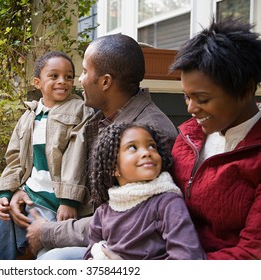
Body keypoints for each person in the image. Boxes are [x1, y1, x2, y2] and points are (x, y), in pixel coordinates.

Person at [24, 34, 179, 260]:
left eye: (85, 72)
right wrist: (18, 190)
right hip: (94, 228)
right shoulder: (99, 122)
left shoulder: (148, 135)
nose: (79, 81)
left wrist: (48, 232)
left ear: (105, 82)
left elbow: (124, 217)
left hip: (129, 248)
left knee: (51, 259)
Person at [0, 51, 94, 259]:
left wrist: (70, 200)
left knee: (49, 255)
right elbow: (14, 160)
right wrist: (6, 193)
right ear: (37, 82)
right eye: (54, 76)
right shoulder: (28, 118)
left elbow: (76, 157)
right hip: (31, 198)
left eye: (69, 76)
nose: (63, 81)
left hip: (58, 204)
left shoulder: (79, 110)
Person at [168, 18, 261, 259]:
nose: (191, 108)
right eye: (186, 97)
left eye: (202, 99)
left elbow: (251, 254)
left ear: (246, 88)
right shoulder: (188, 135)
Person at [84, 122, 205, 260]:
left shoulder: (168, 203)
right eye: (132, 147)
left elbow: (187, 257)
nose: (147, 152)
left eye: (151, 146)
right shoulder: (103, 212)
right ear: (112, 168)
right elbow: (90, 252)